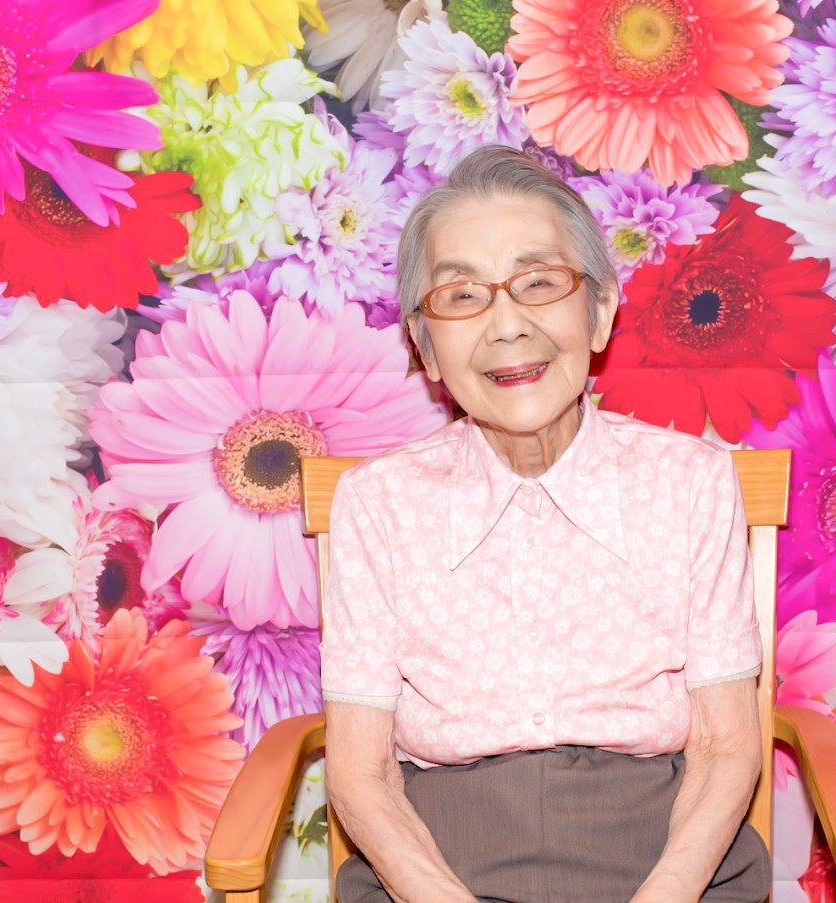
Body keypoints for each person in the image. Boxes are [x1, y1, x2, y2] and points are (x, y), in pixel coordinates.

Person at [320, 145, 770, 903]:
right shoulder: (379, 503)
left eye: (538, 283)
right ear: (426, 347)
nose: (506, 326)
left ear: (600, 311)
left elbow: (726, 746)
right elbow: (361, 773)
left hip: (665, 861)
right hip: (440, 866)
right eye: (462, 296)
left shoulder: (690, 483)